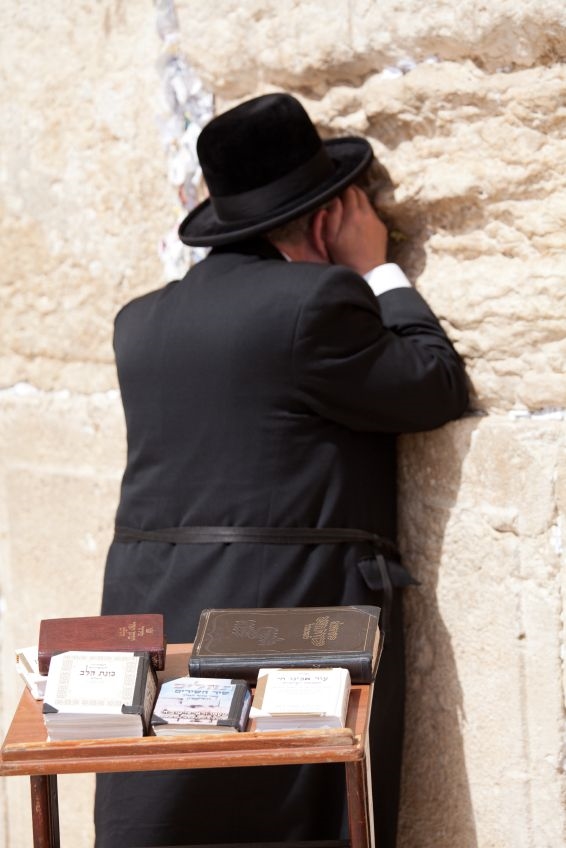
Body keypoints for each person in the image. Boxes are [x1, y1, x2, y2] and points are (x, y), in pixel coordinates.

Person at [95, 92, 469, 848]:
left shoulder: (139, 321)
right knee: (294, 816)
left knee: (172, 818)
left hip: (152, 611)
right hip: (288, 620)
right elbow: (432, 385)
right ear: (328, 215)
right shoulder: (317, 302)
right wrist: (380, 268)